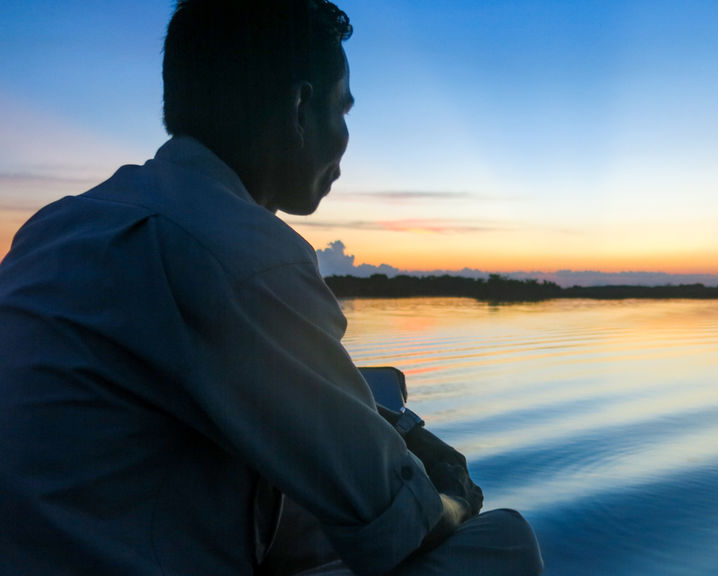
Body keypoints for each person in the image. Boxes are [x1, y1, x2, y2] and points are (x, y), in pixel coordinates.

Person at [0, 1, 543, 575]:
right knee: (502, 543)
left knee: (327, 484)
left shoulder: (58, 226)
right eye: (342, 109)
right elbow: (403, 525)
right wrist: (456, 499)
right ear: (300, 107)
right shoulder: (238, 250)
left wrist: (394, 432)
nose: (345, 140)